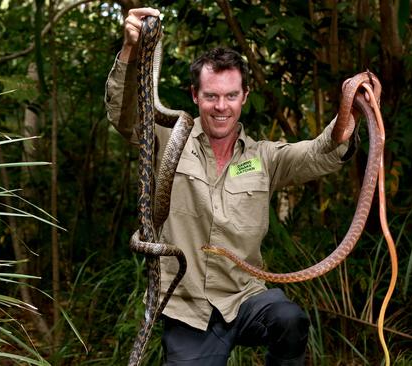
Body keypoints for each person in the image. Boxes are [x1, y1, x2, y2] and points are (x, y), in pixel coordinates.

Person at [105, 7, 353, 366]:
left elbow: (319, 153)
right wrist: (131, 50)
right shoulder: (167, 137)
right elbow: (123, 115)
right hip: (186, 306)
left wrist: (348, 115)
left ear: (244, 96)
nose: (221, 107)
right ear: (195, 95)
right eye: (211, 96)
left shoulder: (264, 158)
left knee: (290, 319)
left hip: (246, 297)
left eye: (231, 96)